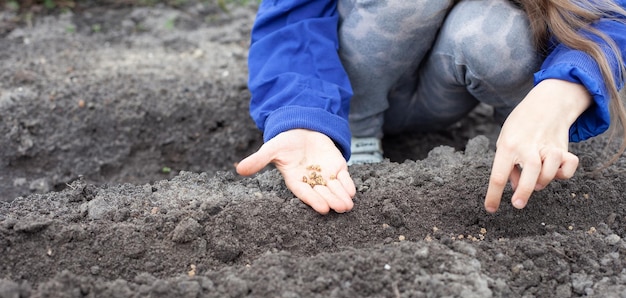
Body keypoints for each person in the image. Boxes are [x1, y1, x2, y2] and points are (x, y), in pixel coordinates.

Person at [236, 0, 626, 215]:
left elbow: (609, 14)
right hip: (351, 88)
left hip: (443, 93)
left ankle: (517, 145)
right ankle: (358, 135)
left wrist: (559, 94)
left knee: (497, 32)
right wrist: (303, 115)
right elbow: (292, 20)